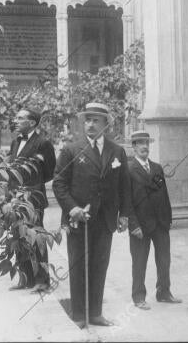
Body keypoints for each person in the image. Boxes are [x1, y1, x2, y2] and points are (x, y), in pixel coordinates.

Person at [52, 102, 132, 326]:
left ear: (106, 124)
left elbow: (125, 186)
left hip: (105, 220)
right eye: (87, 119)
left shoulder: (117, 151)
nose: (90, 124)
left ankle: (95, 313)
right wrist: (72, 208)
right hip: (78, 219)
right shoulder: (71, 149)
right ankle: (79, 315)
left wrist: (124, 215)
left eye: (96, 120)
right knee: (78, 266)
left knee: (99, 264)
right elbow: (59, 184)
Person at [127, 130, 182, 310]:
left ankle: (164, 292)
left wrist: (168, 219)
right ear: (133, 147)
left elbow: (164, 195)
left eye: (146, 143)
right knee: (139, 261)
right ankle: (138, 297)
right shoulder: (128, 169)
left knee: (164, 260)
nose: (144, 146)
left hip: (160, 224)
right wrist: (133, 225)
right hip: (140, 226)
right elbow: (126, 200)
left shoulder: (157, 168)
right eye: (140, 143)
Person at [8, 108, 56, 291]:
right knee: (18, 236)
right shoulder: (15, 142)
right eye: (17, 117)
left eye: (20, 118)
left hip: (33, 198)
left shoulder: (43, 143)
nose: (16, 120)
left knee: (37, 238)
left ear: (32, 123)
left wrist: (32, 186)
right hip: (15, 198)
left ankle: (42, 281)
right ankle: (25, 278)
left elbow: (50, 172)